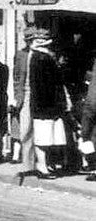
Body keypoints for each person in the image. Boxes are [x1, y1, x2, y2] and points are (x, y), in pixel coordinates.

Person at [20, 28, 70, 181]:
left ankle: (45, 164)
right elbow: (44, 84)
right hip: (45, 104)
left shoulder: (39, 57)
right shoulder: (41, 58)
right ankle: (42, 166)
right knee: (44, 137)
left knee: (48, 136)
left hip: (47, 104)